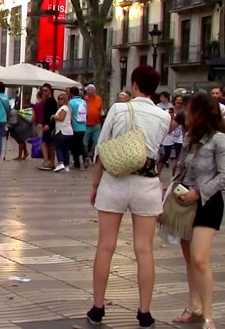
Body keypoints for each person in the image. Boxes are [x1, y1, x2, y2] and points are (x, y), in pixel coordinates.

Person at [88, 65, 171, 328]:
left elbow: (101, 148)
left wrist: (95, 184)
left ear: (134, 84)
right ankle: (144, 312)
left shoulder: (119, 108)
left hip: (115, 181)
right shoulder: (164, 116)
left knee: (106, 245)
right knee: (144, 249)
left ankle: (98, 308)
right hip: (146, 184)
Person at [168, 93, 224, 329]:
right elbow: (182, 166)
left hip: (208, 202)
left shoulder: (219, 140)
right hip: (184, 202)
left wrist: (198, 192)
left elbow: (224, 176)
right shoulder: (189, 137)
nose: (185, 114)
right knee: (189, 258)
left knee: (200, 258)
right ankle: (194, 307)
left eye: (189, 110)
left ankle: (209, 315)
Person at [157, 108, 183, 174]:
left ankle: (175, 175)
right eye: (177, 100)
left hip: (179, 137)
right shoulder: (167, 112)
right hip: (168, 136)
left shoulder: (182, 113)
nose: (178, 102)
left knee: (179, 157)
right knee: (165, 155)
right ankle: (157, 174)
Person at [51, 93, 73, 172]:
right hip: (68, 131)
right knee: (66, 149)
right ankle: (66, 165)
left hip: (62, 131)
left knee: (59, 148)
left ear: (65, 99)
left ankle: (61, 163)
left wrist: (53, 116)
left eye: (61, 99)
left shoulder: (64, 108)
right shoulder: (68, 108)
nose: (59, 100)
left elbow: (61, 118)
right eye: (58, 99)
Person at [38, 83, 58, 170]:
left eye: (46, 90)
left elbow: (51, 114)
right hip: (49, 125)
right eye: (43, 90)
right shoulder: (48, 100)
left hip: (48, 125)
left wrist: (48, 124)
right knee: (50, 144)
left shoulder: (51, 101)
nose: (44, 92)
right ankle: (50, 162)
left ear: (50, 90)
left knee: (44, 143)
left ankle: (47, 162)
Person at [84, 84, 104, 168]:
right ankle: (86, 158)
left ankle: (91, 155)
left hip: (96, 124)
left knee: (96, 142)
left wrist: (102, 113)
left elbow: (101, 109)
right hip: (85, 124)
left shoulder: (99, 99)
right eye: (89, 89)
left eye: (92, 90)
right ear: (86, 91)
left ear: (94, 91)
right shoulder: (83, 99)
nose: (90, 91)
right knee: (84, 142)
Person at [68, 87, 88, 169]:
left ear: (71, 93)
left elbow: (71, 115)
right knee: (81, 144)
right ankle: (85, 157)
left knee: (74, 146)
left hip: (75, 127)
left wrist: (71, 126)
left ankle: (77, 163)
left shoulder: (71, 102)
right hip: (83, 126)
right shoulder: (83, 102)